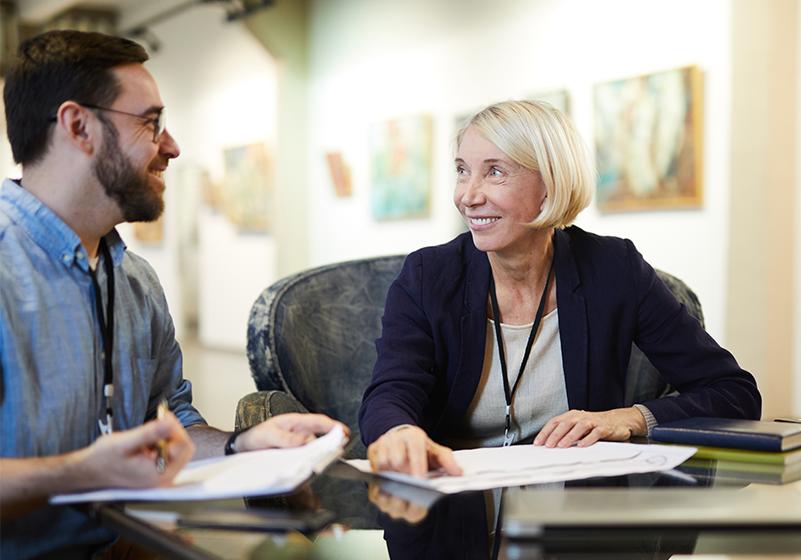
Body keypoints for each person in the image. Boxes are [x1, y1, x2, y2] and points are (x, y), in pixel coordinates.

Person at [0, 30, 347, 558]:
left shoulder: (135, 281)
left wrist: (240, 445)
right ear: (78, 126)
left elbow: (175, 429)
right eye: (151, 122)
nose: (172, 146)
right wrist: (78, 472)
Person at [359, 100, 761, 476]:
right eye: (462, 170)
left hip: (577, 507)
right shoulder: (429, 275)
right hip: (453, 506)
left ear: (549, 184)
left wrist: (629, 417)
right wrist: (398, 432)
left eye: (494, 171)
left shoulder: (614, 269)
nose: (467, 196)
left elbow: (733, 392)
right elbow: (391, 391)